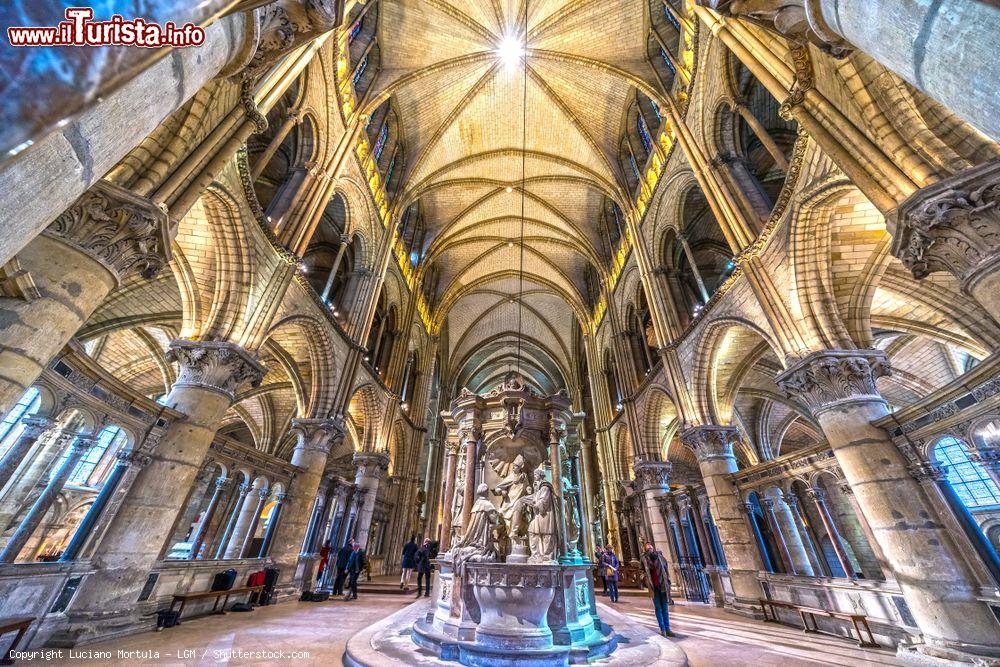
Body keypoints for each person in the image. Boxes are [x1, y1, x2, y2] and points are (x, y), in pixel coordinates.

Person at [641, 542, 674, 637]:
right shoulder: (644, 559)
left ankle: (668, 629)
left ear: (653, 548)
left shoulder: (660, 557)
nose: (650, 550)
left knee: (665, 608)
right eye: (648, 549)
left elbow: (666, 569)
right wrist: (645, 580)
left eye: (651, 548)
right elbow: (641, 571)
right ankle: (662, 629)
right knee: (658, 608)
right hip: (653, 587)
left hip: (663, 585)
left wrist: (668, 581)